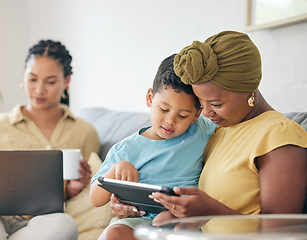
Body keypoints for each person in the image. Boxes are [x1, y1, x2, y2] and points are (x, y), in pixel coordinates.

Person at [145, 31, 307, 222]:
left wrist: (212, 212)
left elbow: (281, 231)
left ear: (249, 91)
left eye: (216, 104)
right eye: (201, 103)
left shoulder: (279, 134)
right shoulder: (214, 130)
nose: (205, 113)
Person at [0, 40, 100, 240]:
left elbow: (87, 190)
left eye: (50, 81)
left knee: (65, 225)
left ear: (66, 81)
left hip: (39, 222)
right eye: (32, 79)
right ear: (24, 78)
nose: (39, 89)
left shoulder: (85, 133)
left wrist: (73, 189)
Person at [90, 54, 217, 240]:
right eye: (164, 109)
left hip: (182, 220)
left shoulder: (200, 130)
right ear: (150, 98)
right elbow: (95, 199)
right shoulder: (126, 149)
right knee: (113, 234)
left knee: (169, 222)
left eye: (182, 116)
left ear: (197, 115)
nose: (170, 121)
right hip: (137, 219)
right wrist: (116, 169)